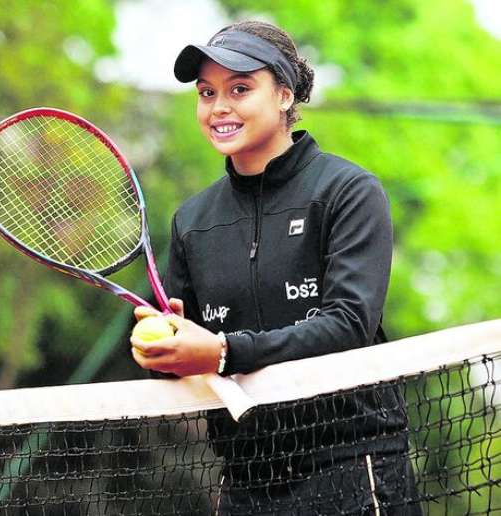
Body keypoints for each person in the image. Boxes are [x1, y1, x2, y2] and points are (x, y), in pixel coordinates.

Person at [129, 20, 421, 515]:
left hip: (352, 462)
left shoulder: (348, 191)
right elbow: (190, 362)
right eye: (207, 92)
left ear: (285, 95)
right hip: (246, 476)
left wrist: (223, 351)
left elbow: (349, 324)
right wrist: (164, 354)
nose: (219, 107)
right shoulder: (192, 221)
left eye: (239, 89)